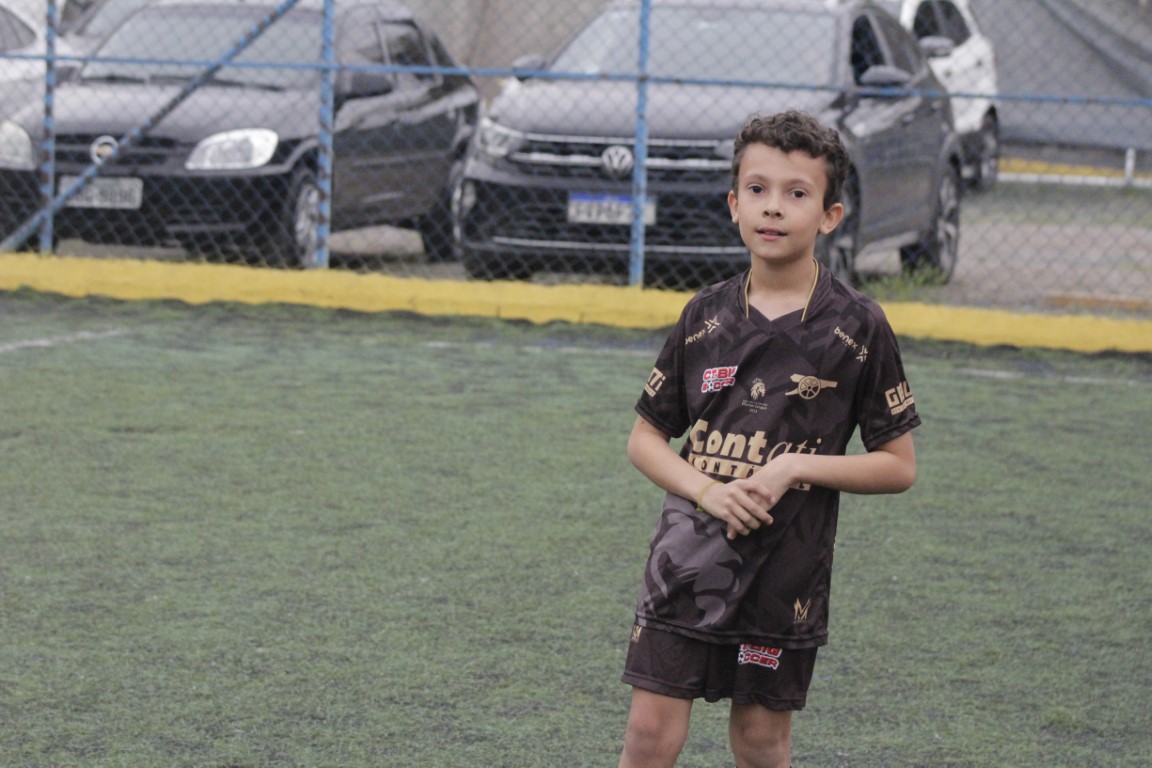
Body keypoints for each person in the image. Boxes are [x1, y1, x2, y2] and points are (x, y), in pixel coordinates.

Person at [617, 110, 921, 768]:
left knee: (759, 741)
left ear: (830, 216)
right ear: (734, 205)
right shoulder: (704, 315)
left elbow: (898, 466)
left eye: (796, 192)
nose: (773, 207)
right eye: (757, 189)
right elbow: (645, 440)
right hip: (685, 561)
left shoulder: (858, 327)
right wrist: (706, 491)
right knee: (649, 734)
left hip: (785, 574)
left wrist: (794, 470)